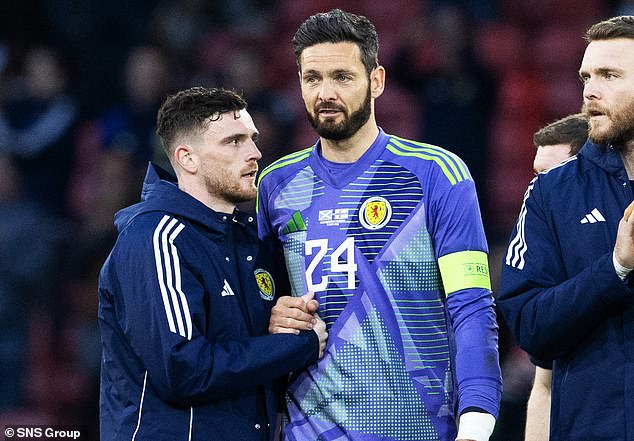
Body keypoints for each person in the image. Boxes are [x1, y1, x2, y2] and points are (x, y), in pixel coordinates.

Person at [257, 9, 502, 441]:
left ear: (377, 81)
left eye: (342, 77)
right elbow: (259, 309)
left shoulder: (438, 175)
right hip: (309, 430)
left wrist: (477, 422)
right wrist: (272, 314)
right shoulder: (274, 186)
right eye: (311, 78)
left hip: (420, 429)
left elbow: (471, 307)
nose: (325, 92)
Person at [98, 86, 327, 441]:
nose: (255, 153)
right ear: (187, 158)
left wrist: (284, 321)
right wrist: (298, 345)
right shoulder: (157, 238)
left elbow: (256, 362)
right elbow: (183, 370)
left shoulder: (253, 244)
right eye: (234, 142)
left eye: (252, 139)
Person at [498, 15, 634, 441]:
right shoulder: (551, 194)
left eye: (609, 75)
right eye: (585, 77)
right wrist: (614, 269)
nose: (590, 90)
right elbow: (530, 328)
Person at [522, 113, 588, 441]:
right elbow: (544, 385)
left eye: (550, 176)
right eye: (535, 177)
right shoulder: (552, 263)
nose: (538, 189)